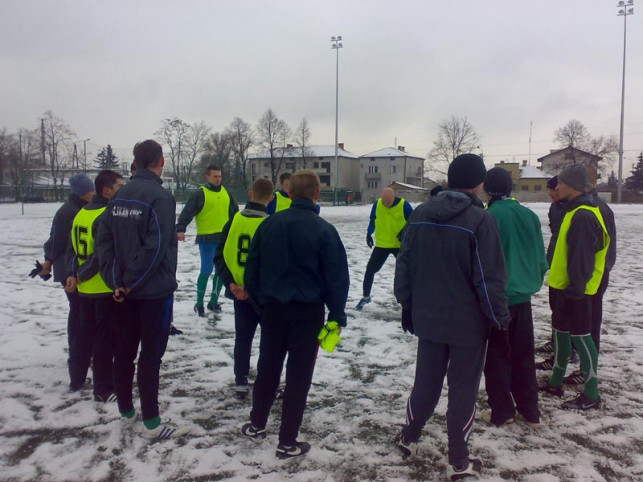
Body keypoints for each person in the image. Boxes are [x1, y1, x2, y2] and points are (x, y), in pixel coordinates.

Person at [393, 154, 510, 481]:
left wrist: (407, 304)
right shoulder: (481, 221)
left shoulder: (420, 214)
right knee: (462, 390)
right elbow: (489, 280)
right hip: (467, 326)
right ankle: (459, 460)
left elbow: (404, 265)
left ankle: (409, 437)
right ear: (478, 183)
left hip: (429, 318)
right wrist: (499, 320)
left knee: (426, 383)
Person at [240, 169, 349, 459]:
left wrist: (260, 305)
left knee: (268, 369)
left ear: (288, 194)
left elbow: (252, 270)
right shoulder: (324, 230)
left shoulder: (269, 225)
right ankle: (287, 441)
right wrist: (337, 315)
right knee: (299, 376)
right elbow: (337, 278)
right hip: (308, 313)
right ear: (317, 194)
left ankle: (257, 423)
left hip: (274, 310)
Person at [96, 140, 189, 439]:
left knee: (124, 352)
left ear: (136, 162)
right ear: (161, 161)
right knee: (150, 356)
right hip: (152, 292)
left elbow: (105, 244)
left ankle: (127, 412)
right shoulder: (161, 197)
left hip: (124, 291)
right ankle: (151, 422)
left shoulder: (119, 195)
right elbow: (157, 246)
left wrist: (117, 282)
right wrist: (127, 282)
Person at [480, 167, 548, 429]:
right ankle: (530, 411)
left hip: (498, 300)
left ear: (487, 189)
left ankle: (502, 411)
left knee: (497, 356)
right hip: (523, 297)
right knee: (523, 355)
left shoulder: (489, 217)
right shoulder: (529, 215)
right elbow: (541, 259)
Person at [539, 164, 610, 411]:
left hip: (577, 291)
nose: (556, 187)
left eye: (561, 182)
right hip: (564, 287)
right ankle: (555, 382)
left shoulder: (583, 215)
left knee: (582, 337)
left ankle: (592, 393)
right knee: (560, 333)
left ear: (572, 185)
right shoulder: (574, 210)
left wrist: (575, 292)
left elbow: (583, 259)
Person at [65, 170, 124, 401]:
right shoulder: (105, 215)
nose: (123, 189)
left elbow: (71, 250)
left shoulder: (82, 212)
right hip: (100, 286)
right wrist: (79, 276)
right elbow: (101, 255)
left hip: (85, 289)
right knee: (103, 340)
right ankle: (104, 389)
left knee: (83, 334)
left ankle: (76, 378)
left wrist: (73, 274)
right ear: (106, 190)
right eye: (119, 186)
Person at [214, 178, 274, 398]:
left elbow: (220, 255)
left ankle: (241, 381)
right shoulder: (270, 224)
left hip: (238, 292)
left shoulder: (233, 220)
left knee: (243, 337)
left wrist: (231, 283)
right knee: (268, 340)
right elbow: (270, 264)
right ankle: (265, 383)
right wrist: (253, 289)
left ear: (250, 194)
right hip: (261, 295)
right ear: (272, 197)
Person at [35, 174, 95, 391]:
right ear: (83, 192)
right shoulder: (68, 212)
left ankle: (79, 356)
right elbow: (56, 240)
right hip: (69, 270)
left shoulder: (80, 208)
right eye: (91, 190)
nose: (94, 193)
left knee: (79, 313)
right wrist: (48, 262)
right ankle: (77, 358)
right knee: (80, 314)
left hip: (74, 270)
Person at [176, 165, 238, 317]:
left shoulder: (226, 193)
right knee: (206, 270)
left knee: (220, 272)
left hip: (223, 239)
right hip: (206, 239)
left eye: (220, 176)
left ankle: (214, 301)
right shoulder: (200, 194)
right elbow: (187, 212)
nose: (218, 179)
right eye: (215, 176)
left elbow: (235, 214)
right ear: (207, 177)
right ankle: (199, 303)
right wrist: (181, 229)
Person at [355, 187, 413, 310]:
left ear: (394, 197)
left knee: (408, 271)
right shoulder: (377, 204)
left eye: (388, 202)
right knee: (370, 270)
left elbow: (413, 221)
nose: (385, 204)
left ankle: (411, 299)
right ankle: (366, 297)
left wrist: (404, 231)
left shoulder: (404, 205)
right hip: (382, 245)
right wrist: (368, 234)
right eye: (384, 202)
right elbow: (373, 219)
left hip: (399, 245)